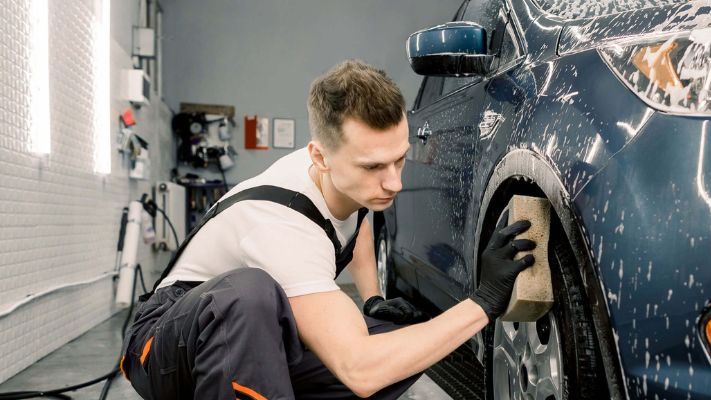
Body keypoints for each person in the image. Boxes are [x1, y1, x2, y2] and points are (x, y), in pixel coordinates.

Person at [121, 59, 536, 399]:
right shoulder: (281, 224)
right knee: (251, 295)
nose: (393, 182)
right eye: (373, 166)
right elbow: (359, 370)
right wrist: (483, 303)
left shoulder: (344, 178)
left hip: (253, 332)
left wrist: (372, 298)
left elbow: (357, 224)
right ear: (319, 156)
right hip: (164, 346)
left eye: (399, 159)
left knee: (408, 337)